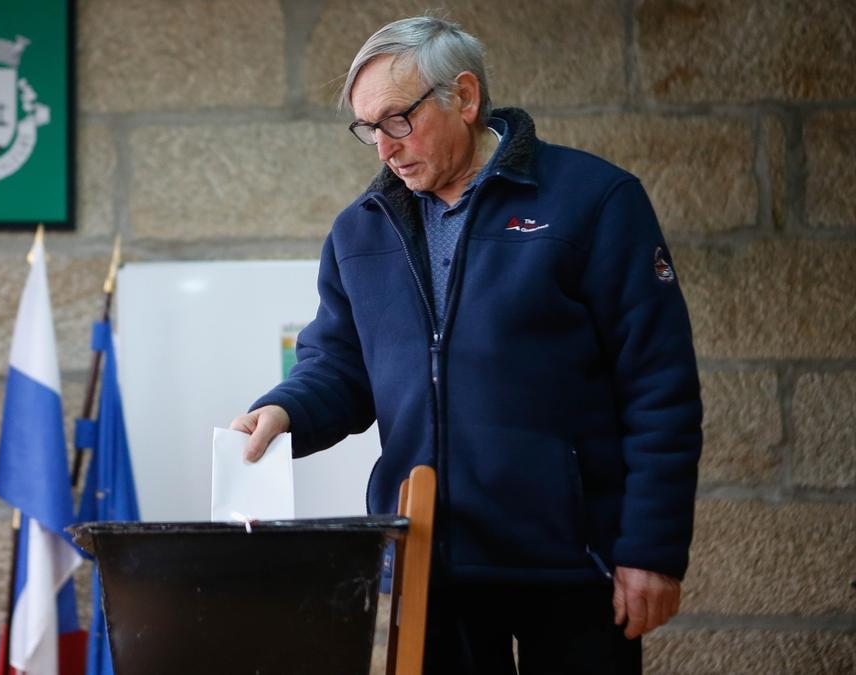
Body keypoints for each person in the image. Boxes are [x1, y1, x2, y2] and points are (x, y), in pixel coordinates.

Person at [230, 15, 702, 675]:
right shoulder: (358, 233)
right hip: (428, 564)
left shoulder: (594, 201)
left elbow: (659, 386)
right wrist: (284, 411)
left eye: (398, 120)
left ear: (466, 97)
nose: (384, 149)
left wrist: (650, 549)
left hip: (574, 561)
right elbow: (339, 367)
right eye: (368, 129)